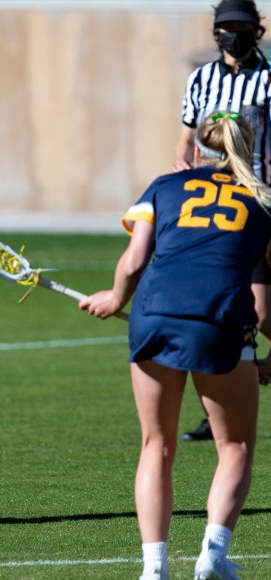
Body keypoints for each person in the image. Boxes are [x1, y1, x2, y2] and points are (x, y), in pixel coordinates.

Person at [80, 112, 271, 580]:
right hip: (220, 321)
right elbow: (265, 306)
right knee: (236, 448)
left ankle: (153, 574)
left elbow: (135, 258)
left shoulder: (164, 187)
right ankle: (213, 554)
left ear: (195, 150)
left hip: (154, 315)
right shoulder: (263, 202)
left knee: (156, 446)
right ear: (246, 149)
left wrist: (114, 297)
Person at [173, 0, 271, 442]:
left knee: (261, 311)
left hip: (258, 205)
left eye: (242, 27)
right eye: (226, 27)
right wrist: (182, 178)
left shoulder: (269, 80)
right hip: (211, 208)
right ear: (215, 32)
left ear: (258, 30)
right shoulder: (201, 79)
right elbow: (184, 142)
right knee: (210, 307)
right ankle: (218, 413)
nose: (234, 34)